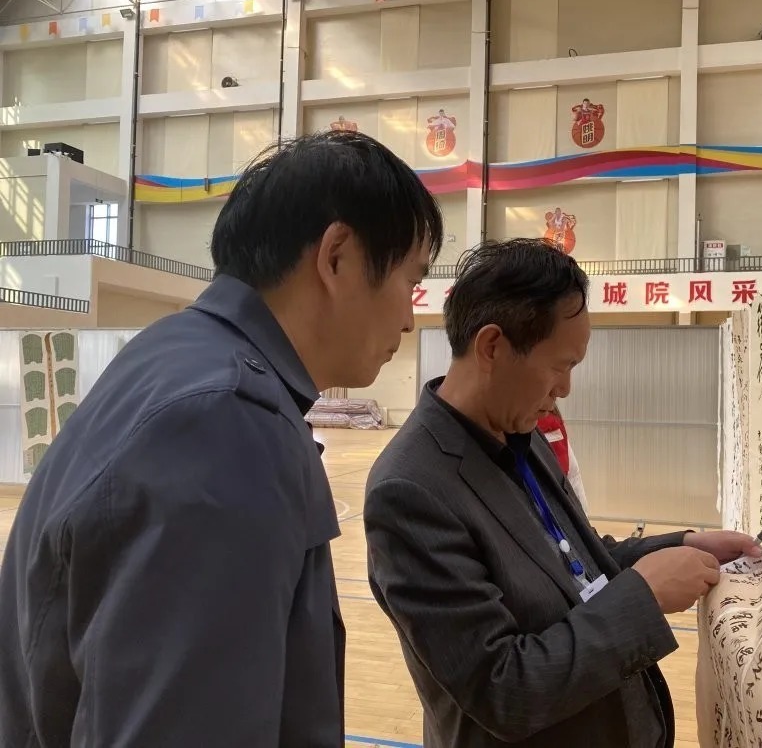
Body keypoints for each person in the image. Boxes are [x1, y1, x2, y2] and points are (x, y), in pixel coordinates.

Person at [0, 130, 442, 747]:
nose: (410, 318)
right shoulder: (224, 423)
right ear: (337, 257)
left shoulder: (174, 357)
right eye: (410, 281)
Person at [364, 238, 762, 748]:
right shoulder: (410, 490)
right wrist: (643, 597)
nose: (565, 389)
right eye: (560, 366)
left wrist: (681, 545)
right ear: (492, 347)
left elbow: (574, 563)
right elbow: (503, 688)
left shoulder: (521, 435)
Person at [537, 404, 589, 512]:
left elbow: (573, 474)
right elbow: (573, 475)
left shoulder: (550, 423)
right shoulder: (554, 421)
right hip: (559, 505)